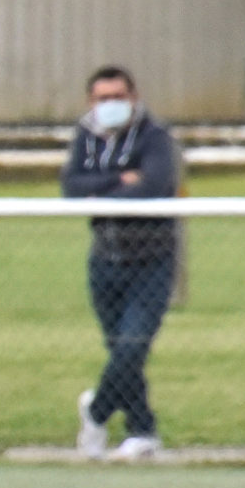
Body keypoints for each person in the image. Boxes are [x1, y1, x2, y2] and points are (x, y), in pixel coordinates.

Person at [62, 65, 179, 460]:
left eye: (118, 97)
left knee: (132, 346)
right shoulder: (86, 136)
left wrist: (102, 194)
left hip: (151, 259)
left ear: (133, 97)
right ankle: (142, 431)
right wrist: (117, 181)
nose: (111, 104)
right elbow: (71, 185)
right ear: (90, 101)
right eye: (103, 98)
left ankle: (95, 412)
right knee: (120, 351)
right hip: (104, 259)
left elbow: (154, 185)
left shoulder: (154, 137)